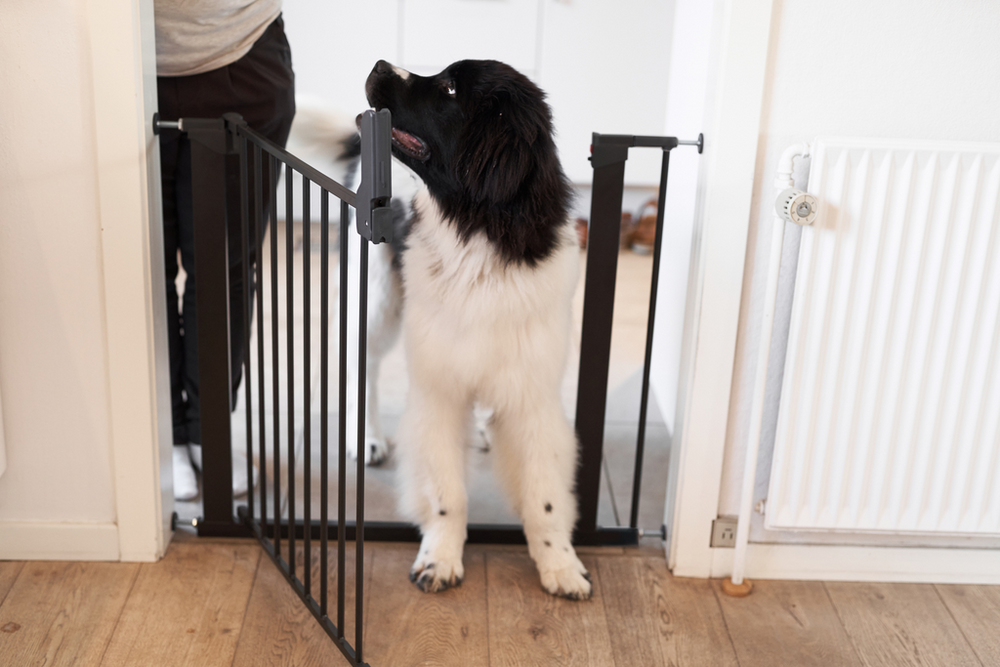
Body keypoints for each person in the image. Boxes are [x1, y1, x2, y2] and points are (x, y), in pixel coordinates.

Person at [155, 0, 295, 500]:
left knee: (224, 266)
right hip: (117, 62)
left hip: (241, 50)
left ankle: (207, 428)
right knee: (138, 267)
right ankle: (163, 432)